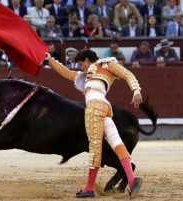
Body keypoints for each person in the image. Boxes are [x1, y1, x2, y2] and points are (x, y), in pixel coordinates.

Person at [46, 49, 143, 198]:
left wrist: (136, 90)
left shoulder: (106, 64)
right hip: (105, 108)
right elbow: (65, 72)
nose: (80, 68)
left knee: (95, 147)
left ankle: (89, 188)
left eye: (80, 64)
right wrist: (50, 59)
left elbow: (127, 75)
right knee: (117, 144)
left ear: (86, 60)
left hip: (94, 108)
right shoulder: (90, 74)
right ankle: (131, 180)